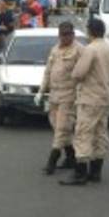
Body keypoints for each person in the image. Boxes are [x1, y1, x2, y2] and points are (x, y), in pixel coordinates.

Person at [61, 17, 109, 186]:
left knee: (83, 134)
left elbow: (78, 73)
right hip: (106, 97)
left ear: (90, 31)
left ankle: (80, 173)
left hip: (90, 97)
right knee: (100, 134)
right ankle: (96, 172)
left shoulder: (91, 49)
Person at [35, 21, 81, 175]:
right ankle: (71, 156)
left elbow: (84, 73)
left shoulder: (79, 50)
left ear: (73, 34)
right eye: (62, 34)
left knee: (62, 128)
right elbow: (48, 72)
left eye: (68, 34)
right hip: (54, 93)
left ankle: (52, 162)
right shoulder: (55, 49)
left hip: (69, 94)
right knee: (56, 125)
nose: (65, 37)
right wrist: (41, 91)